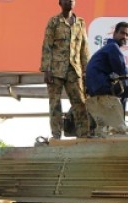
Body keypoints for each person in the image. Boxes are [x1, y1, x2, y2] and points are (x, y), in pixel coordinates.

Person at [85, 21, 128, 131]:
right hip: (102, 86)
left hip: (97, 87)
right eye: (122, 33)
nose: (124, 37)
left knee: (122, 91)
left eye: (127, 35)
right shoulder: (113, 47)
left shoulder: (107, 48)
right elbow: (123, 71)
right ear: (114, 34)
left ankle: (121, 124)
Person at [41, 0, 90, 139]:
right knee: (55, 103)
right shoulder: (54, 21)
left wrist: (86, 71)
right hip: (55, 70)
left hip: (74, 70)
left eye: (72, 0)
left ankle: (83, 135)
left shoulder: (80, 22)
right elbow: (47, 45)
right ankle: (56, 135)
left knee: (80, 102)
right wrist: (46, 69)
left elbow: (84, 49)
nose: (69, 1)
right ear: (60, 3)